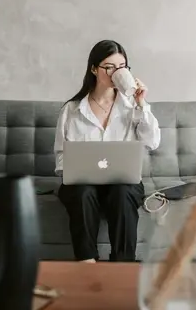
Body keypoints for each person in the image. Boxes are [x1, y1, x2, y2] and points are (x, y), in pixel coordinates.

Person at [53, 40, 161, 263]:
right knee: (82, 193)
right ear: (94, 69)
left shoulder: (132, 107)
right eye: (109, 67)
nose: (116, 73)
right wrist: (74, 170)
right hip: (82, 185)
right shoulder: (72, 110)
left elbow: (152, 143)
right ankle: (87, 262)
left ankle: (122, 264)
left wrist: (142, 104)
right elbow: (61, 157)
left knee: (123, 193)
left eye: (122, 67)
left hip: (122, 183)